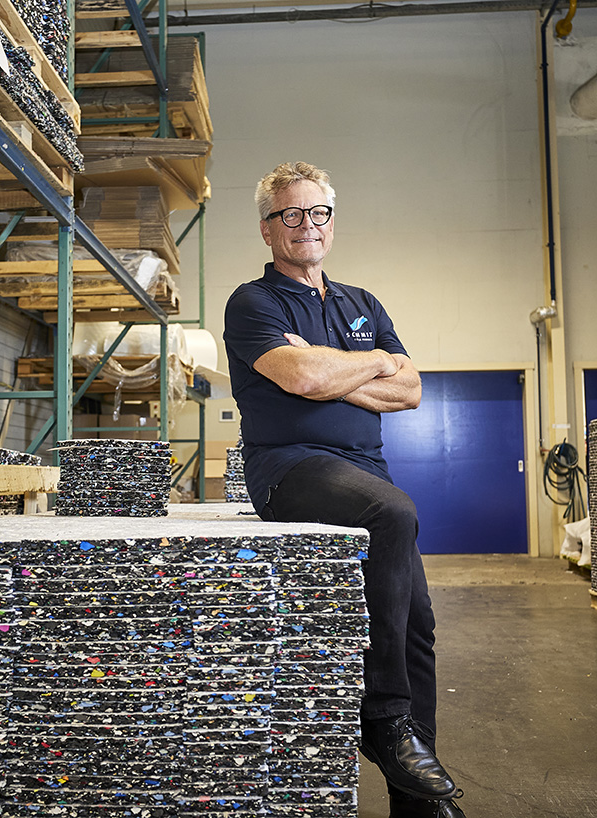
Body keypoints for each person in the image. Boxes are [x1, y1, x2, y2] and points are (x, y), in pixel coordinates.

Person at [223, 162, 466, 818]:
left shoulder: (363, 304)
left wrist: (350, 369)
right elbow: (300, 378)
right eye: (291, 215)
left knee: (418, 623)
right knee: (391, 512)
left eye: (318, 213)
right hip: (289, 468)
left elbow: (409, 391)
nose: (307, 226)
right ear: (267, 229)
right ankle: (385, 721)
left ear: (333, 219)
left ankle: (417, 800)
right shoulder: (254, 302)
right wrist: (365, 367)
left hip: (362, 465)